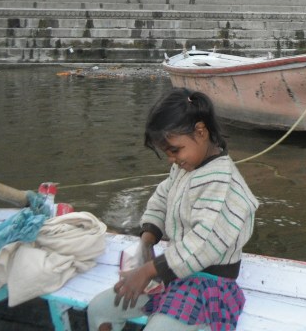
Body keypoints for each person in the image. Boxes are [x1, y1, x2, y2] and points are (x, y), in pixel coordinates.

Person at [87, 88, 259, 331]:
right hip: (174, 274)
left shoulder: (223, 182)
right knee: (99, 309)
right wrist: (147, 241)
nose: (172, 159)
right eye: (167, 153)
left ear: (201, 131)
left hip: (209, 286)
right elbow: (161, 198)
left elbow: (203, 244)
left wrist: (149, 270)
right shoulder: (185, 168)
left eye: (175, 150)